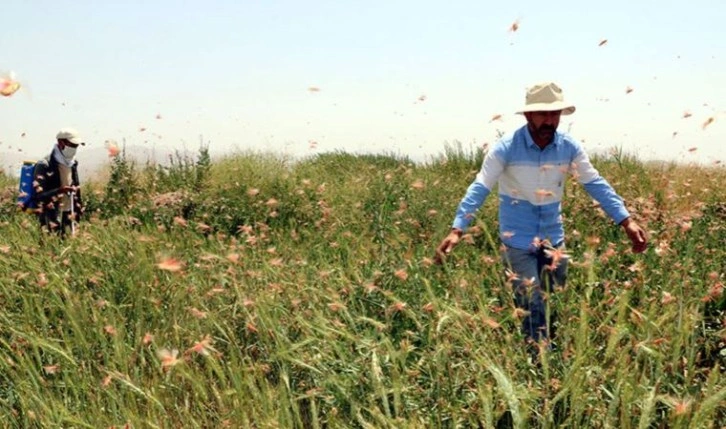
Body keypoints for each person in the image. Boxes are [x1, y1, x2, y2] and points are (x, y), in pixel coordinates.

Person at [435, 82, 647, 353]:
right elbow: (481, 186)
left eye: (555, 114)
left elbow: (595, 183)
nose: (550, 121)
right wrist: (457, 229)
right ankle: (538, 365)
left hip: (553, 240)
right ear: (528, 116)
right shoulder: (506, 148)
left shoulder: (568, 148)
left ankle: (546, 353)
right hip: (518, 241)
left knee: (553, 298)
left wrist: (626, 220)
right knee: (531, 303)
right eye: (543, 114)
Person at [31, 128, 85, 237]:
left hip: (69, 213)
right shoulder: (44, 165)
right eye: (72, 145)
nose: (75, 148)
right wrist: (60, 191)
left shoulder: (72, 163)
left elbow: (75, 186)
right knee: (51, 248)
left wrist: (79, 207)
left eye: (76, 146)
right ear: (61, 142)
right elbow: (38, 196)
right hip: (51, 215)